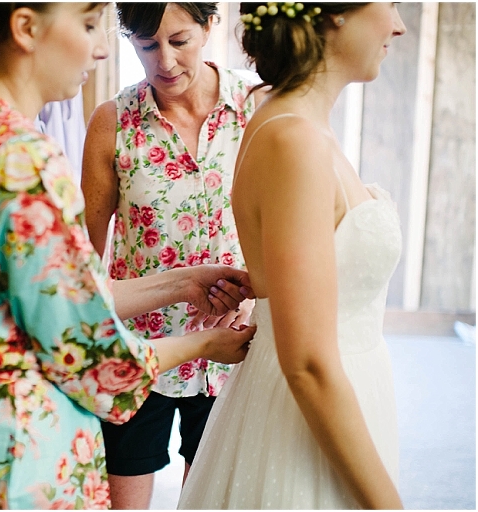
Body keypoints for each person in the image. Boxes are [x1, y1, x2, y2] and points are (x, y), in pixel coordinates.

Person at [0, 3, 257, 509]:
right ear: (27, 27)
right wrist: (202, 344)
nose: (99, 48)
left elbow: (74, 294)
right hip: (25, 453)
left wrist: (185, 282)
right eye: (90, 25)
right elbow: (93, 354)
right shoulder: (24, 160)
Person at [178, 2, 407, 509]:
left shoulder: (293, 122)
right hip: (307, 410)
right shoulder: (293, 138)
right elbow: (306, 362)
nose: (398, 23)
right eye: (390, 3)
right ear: (334, 14)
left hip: (343, 389)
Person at [81, 3, 263, 508]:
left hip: (232, 346)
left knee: (207, 499)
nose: (164, 61)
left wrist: (256, 299)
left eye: (179, 41)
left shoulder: (256, 105)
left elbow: (281, 226)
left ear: (209, 26)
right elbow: (82, 265)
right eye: (146, 46)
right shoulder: (112, 123)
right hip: (139, 350)